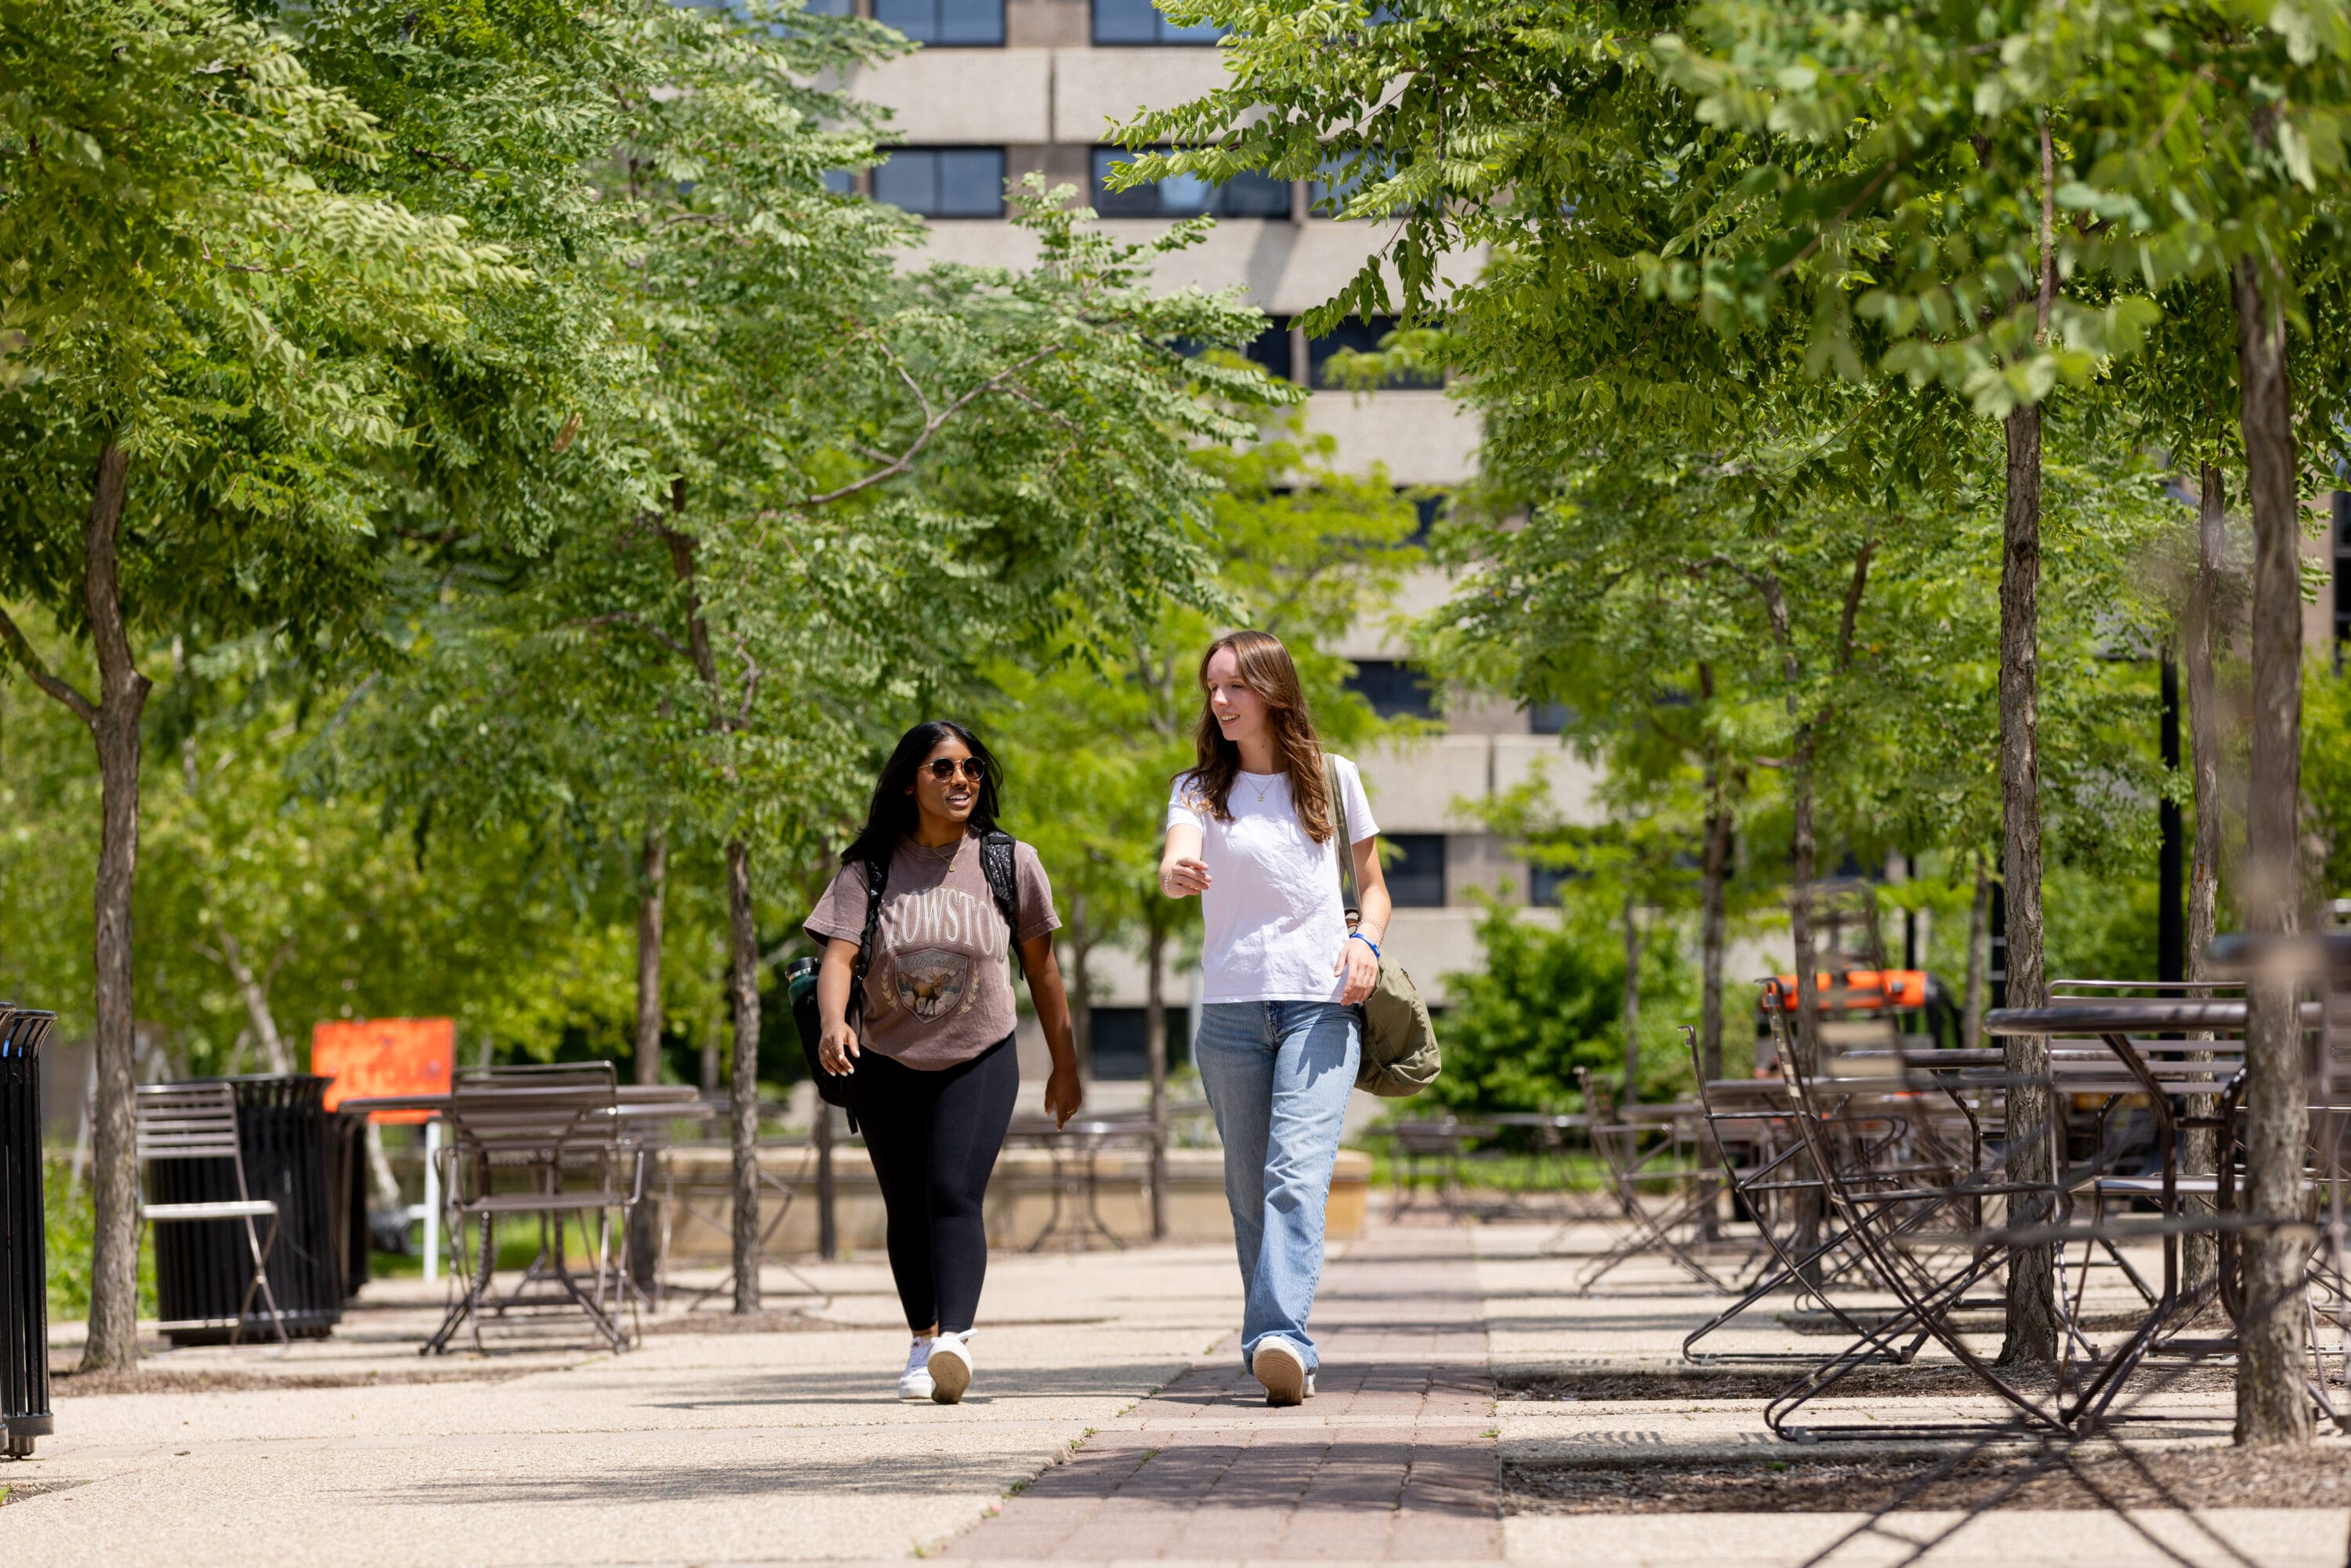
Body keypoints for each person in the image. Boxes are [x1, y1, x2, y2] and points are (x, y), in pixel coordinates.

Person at [808, 720, 1082, 1404]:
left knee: (951, 1193)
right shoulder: (869, 869)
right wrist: (834, 1023)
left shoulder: (1008, 861)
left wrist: (1065, 1062)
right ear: (910, 780)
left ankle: (955, 1340)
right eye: (943, 768)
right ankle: (923, 1337)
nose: (961, 780)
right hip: (886, 1059)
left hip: (980, 1054)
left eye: (971, 769)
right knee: (906, 1204)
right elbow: (836, 958)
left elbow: (1043, 971)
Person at [1159, 629, 1389, 1407]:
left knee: (1295, 1176)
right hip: (1229, 1010)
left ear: (1274, 691)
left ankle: (1283, 1337)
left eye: (1236, 687)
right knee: (1247, 1185)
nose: (1220, 702)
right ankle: (1271, 1343)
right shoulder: (1195, 789)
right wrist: (1174, 869)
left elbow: (1376, 888)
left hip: (1320, 1005)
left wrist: (1367, 942)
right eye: (1212, 688)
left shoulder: (1333, 778)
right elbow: (1178, 850)